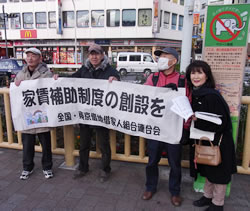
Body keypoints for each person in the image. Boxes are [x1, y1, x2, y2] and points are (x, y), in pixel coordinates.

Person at [186, 60, 237, 211]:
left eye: (199, 72)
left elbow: (221, 122)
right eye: (193, 73)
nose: (196, 76)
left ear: (207, 76)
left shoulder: (212, 96)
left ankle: (217, 203)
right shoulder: (196, 93)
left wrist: (197, 120)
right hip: (205, 140)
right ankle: (208, 197)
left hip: (219, 143)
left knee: (219, 173)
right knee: (208, 169)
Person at [142, 47, 188, 206]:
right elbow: (140, 95)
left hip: (174, 130)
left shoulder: (182, 80)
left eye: (164, 56)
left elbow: (187, 105)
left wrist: (185, 127)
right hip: (155, 128)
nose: (160, 59)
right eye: (159, 56)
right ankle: (150, 187)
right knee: (152, 160)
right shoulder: (153, 78)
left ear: (174, 61)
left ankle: (175, 192)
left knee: (175, 163)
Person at [72, 44, 120, 182]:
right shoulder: (84, 69)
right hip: (86, 113)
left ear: (102, 55)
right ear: (88, 55)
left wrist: (115, 81)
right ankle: (83, 167)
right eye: (91, 54)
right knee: (84, 144)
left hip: (101, 114)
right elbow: (71, 79)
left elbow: (119, 83)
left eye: (97, 54)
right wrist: (58, 77)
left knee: (103, 144)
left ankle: (105, 169)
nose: (94, 56)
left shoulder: (110, 70)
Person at [15, 47, 54, 180]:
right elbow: (16, 91)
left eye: (33, 56)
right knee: (27, 144)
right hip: (27, 116)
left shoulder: (46, 73)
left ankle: (47, 167)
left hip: (42, 115)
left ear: (40, 58)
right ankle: (27, 167)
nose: (30, 58)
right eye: (28, 56)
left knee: (46, 144)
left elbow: (51, 88)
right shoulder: (21, 73)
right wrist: (16, 84)